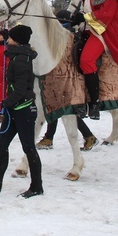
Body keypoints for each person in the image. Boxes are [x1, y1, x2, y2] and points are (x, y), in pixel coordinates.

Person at [0, 24, 42, 198]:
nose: (7, 40)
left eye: (10, 38)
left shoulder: (20, 60)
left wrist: (5, 103)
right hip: (14, 110)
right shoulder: (18, 56)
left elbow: (20, 89)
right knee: (2, 145)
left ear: (17, 41)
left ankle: (36, 187)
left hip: (23, 110)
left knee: (28, 147)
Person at [36, 10, 98, 151]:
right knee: (58, 109)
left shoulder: (64, 35)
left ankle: (88, 136)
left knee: (64, 110)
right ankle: (49, 137)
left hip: (65, 76)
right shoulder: (69, 33)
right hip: (63, 75)